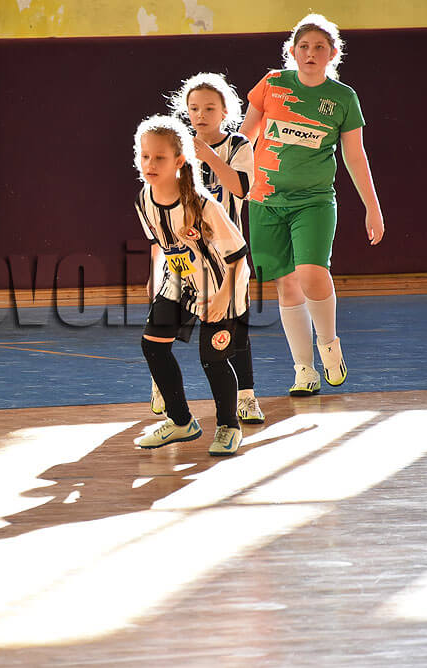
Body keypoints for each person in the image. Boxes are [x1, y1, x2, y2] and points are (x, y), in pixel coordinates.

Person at [239, 13, 384, 395]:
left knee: (311, 273)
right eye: (304, 46)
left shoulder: (342, 98)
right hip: (264, 199)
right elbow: (245, 137)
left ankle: (329, 345)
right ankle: (304, 370)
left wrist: (372, 207)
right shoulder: (272, 84)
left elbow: (355, 156)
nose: (310, 52)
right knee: (286, 285)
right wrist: (225, 180)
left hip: (313, 201)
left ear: (333, 53)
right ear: (292, 51)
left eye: (319, 47)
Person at [132, 116, 250, 456]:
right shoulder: (144, 200)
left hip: (220, 284)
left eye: (160, 157)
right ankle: (181, 421)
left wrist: (225, 296)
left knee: (212, 359)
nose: (150, 164)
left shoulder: (202, 205)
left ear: (179, 161)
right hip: (179, 281)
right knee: (153, 346)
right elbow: (162, 245)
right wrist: (156, 279)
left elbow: (238, 256)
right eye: (145, 156)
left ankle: (229, 426)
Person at [160, 71, 265, 424]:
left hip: (227, 253)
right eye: (193, 108)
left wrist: (208, 156)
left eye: (208, 108)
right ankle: (161, 384)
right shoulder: (176, 146)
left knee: (235, 324)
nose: (200, 115)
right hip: (186, 252)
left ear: (225, 111)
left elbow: (241, 189)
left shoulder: (237, 145)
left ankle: (246, 397)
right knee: (167, 318)